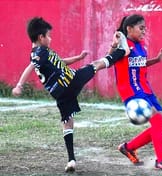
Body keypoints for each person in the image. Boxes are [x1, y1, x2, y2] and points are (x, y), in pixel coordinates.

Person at [12, 17, 128, 172]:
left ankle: (71, 160)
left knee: (67, 122)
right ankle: (122, 51)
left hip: (60, 94)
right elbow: (31, 66)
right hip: (71, 81)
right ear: (41, 37)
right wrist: (19, 85)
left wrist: (78, 58)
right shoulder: (39, 54)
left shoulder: (40, 53)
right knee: (95, 65)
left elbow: (60, 62)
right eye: (49, 36)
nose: (50, 38)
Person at [108, 14, 162, 171]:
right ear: (129, 28)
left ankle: (128, 147)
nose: (144, 31)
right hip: (131, 90)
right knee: (156, 120)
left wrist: (157, 59)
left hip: (145, 89)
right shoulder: (123, 44)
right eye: (141, 28)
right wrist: (114, 45)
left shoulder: (141, 45)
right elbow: (109, 59)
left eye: (145, 28)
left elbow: (140, 64)